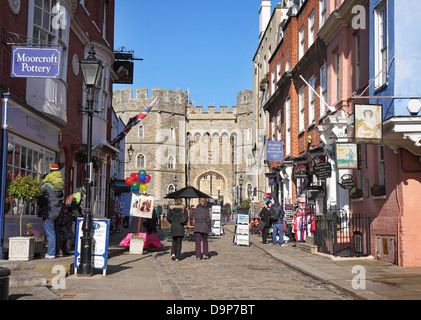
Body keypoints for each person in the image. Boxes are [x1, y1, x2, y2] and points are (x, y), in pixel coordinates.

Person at [38, 164, 64, 259]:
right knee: (56, 232)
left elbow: (43, 199)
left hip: (49, 211)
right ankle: (56, 252)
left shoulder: (47, 187)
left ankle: (51, 253)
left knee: (50, 233)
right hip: (57, 211)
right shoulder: (59, 186)